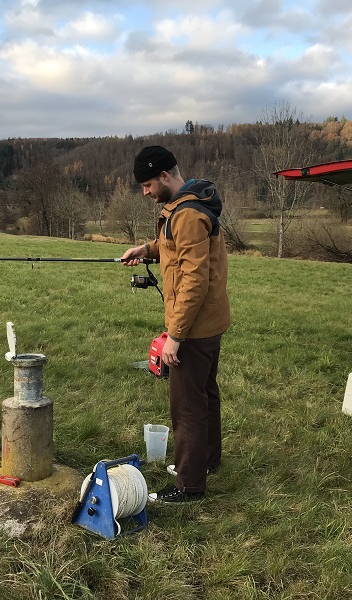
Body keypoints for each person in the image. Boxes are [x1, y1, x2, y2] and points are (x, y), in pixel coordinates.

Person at [121, 145, 231, 504]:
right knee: (204, 395)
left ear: (166, 176)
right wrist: (147, 249)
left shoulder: (186, 214)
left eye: (149, 185)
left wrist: (176, 337)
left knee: (186, 406)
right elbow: (179, 248)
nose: (146, 192)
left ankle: (189, 485)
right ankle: (206, 462)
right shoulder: (190, 205)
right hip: (209, 323)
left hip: (194, 329)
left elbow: (194, 280)